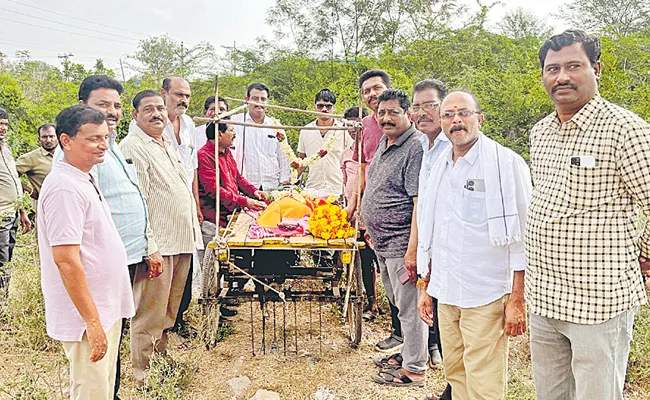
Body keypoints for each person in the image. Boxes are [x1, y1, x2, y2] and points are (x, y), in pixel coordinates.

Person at [526, 30, 650, 400]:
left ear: (596, 69)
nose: (561, 76)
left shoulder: (625, 129)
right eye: (553, 69)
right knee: (551, 395)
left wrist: (644, 252)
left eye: (573, 66)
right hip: (544, 297)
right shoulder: (541, 132)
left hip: (598, 301)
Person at [417, 90, 531, 400]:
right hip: (446, 290)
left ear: (479, 118)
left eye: (464, 113)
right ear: (441, 123)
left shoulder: (506, 164)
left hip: (486, 293)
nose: (456, 120)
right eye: (449, 115)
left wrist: (517, 298)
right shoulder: (437, 166)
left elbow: (523, 237)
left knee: (485, 381)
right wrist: (425, 285)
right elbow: (432, 228)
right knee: (455, 372)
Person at [53, 75, 160, 399]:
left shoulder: (108, 146)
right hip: (95, 275)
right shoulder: (73, 165)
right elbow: (68, 255)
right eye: (102, 105)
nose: (111, 112)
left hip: (123, 260)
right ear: (82, 106)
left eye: (115, 105)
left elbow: (132, 198)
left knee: (108, 355)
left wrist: (148, 245)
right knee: (94, 360)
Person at [38, 104, 135, 399]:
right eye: (93, 139)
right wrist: (92, 323)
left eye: (104, 137)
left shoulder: (82, 177)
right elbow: (66, 261)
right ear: (66, 141)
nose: (103, 145)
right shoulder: (64, 188)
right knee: (91, 391)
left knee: (103, 389)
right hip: (87, 316)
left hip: (103, 308)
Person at [120, 90, 201, 387]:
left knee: (169, 310)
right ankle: (144, 378)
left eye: (159, 109)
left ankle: (161, 363)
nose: (157, 114)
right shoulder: (132, 147)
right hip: (158, 246)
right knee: (148, 315)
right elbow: (136, 201)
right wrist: (149, 246)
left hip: (180, 241)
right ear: (135, 115)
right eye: (148, 109)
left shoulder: (165, 142)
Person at [361, 89, 427, 387]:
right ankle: (409, 353)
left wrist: (413, 250)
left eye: (393, 113)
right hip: (382, 242)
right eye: (381, 113)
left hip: (401, 244)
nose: (386, 118)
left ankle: (415, 369)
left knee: (411, 308)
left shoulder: (414, 147)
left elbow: (418, 203)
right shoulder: (385, 143)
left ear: (408, 114)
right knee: (399, 304)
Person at [348, 70, 403, 353]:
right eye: (367, 91)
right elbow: (361, 168)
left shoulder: (407, 125)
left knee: (408, 276)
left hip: (403, 216)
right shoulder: (365, 126)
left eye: (377, 88)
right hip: (375, 215)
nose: (371, 94)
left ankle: (429, 342)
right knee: (386, 274)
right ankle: (398, 331)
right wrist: (353, 206)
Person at [410, 79, 452, 400]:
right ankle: (452, 391)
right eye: (417, 106)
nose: (422, 112)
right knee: (446, 324)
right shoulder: (426, 145)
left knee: (456, 328)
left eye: (429, 105)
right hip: (431, 250)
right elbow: (424, 203)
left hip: (450, 253)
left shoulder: (453, 146)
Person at [161, 76, 202, 338]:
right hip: (164, 204)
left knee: (187, 263)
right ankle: (162, 324)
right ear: (164, 93)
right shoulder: (153, 125)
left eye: (187, 95)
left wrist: (196, 203)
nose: (183, 100)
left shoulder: (189, 125)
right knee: (166, 264)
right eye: (178, 94)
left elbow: (193, 167)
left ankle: (180, 318)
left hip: (186, 202)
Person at [340, 106, 378, 320]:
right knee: (362, 260)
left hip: (370, 212)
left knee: (377, 260)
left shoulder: (372, 149)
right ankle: (367, 301)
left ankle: (384, 307)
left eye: (357, 125)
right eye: (350, 125)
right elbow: (347, 181)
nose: (354, 130)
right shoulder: (346, 153)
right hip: (353, 214)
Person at [198, 121, 266, 228]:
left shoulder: (226, 151)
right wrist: (244, 201)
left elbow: (237, 178)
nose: (234, 134)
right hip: (215, 220)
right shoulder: (203, 156)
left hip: (231, 214)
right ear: (219, 134)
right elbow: (214, 190)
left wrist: (254, 191)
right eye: (231, 130)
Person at [231, 82, 291, 190]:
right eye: (255, 98)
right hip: (245, 187)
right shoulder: (235, 122)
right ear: (247, 99)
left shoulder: (275, 126)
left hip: (272, 186)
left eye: (263, 99)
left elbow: (284, 157)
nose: (259, 102)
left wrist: (284, 182)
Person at [297, 89, 351, 196]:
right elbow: (301, 160)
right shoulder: (306, 130)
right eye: (320, 106)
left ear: (334, 108)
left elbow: (351, 160)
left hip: (338, 189)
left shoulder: (344, 130)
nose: (324, 109)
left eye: (328, 106)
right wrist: (292, 180)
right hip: (312, 189)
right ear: (315, 107)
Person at [0, 108, 32, 288]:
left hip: (12, 214)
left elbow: (13, 179)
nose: (3, 127)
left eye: (5, 124)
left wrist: (22, 212)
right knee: (2, 262)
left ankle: (3, 303)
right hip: (1, 215)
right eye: (0, 123)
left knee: (8, 260)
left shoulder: (6, 148)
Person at [16, 123, 58, 201]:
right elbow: (9, 176)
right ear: (39, 139)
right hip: (45, 206)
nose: (48, 140)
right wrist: (30, 191)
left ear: (58, 137)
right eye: (44, 137)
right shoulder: (30, 158)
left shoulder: (67, 154)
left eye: (51, 136)